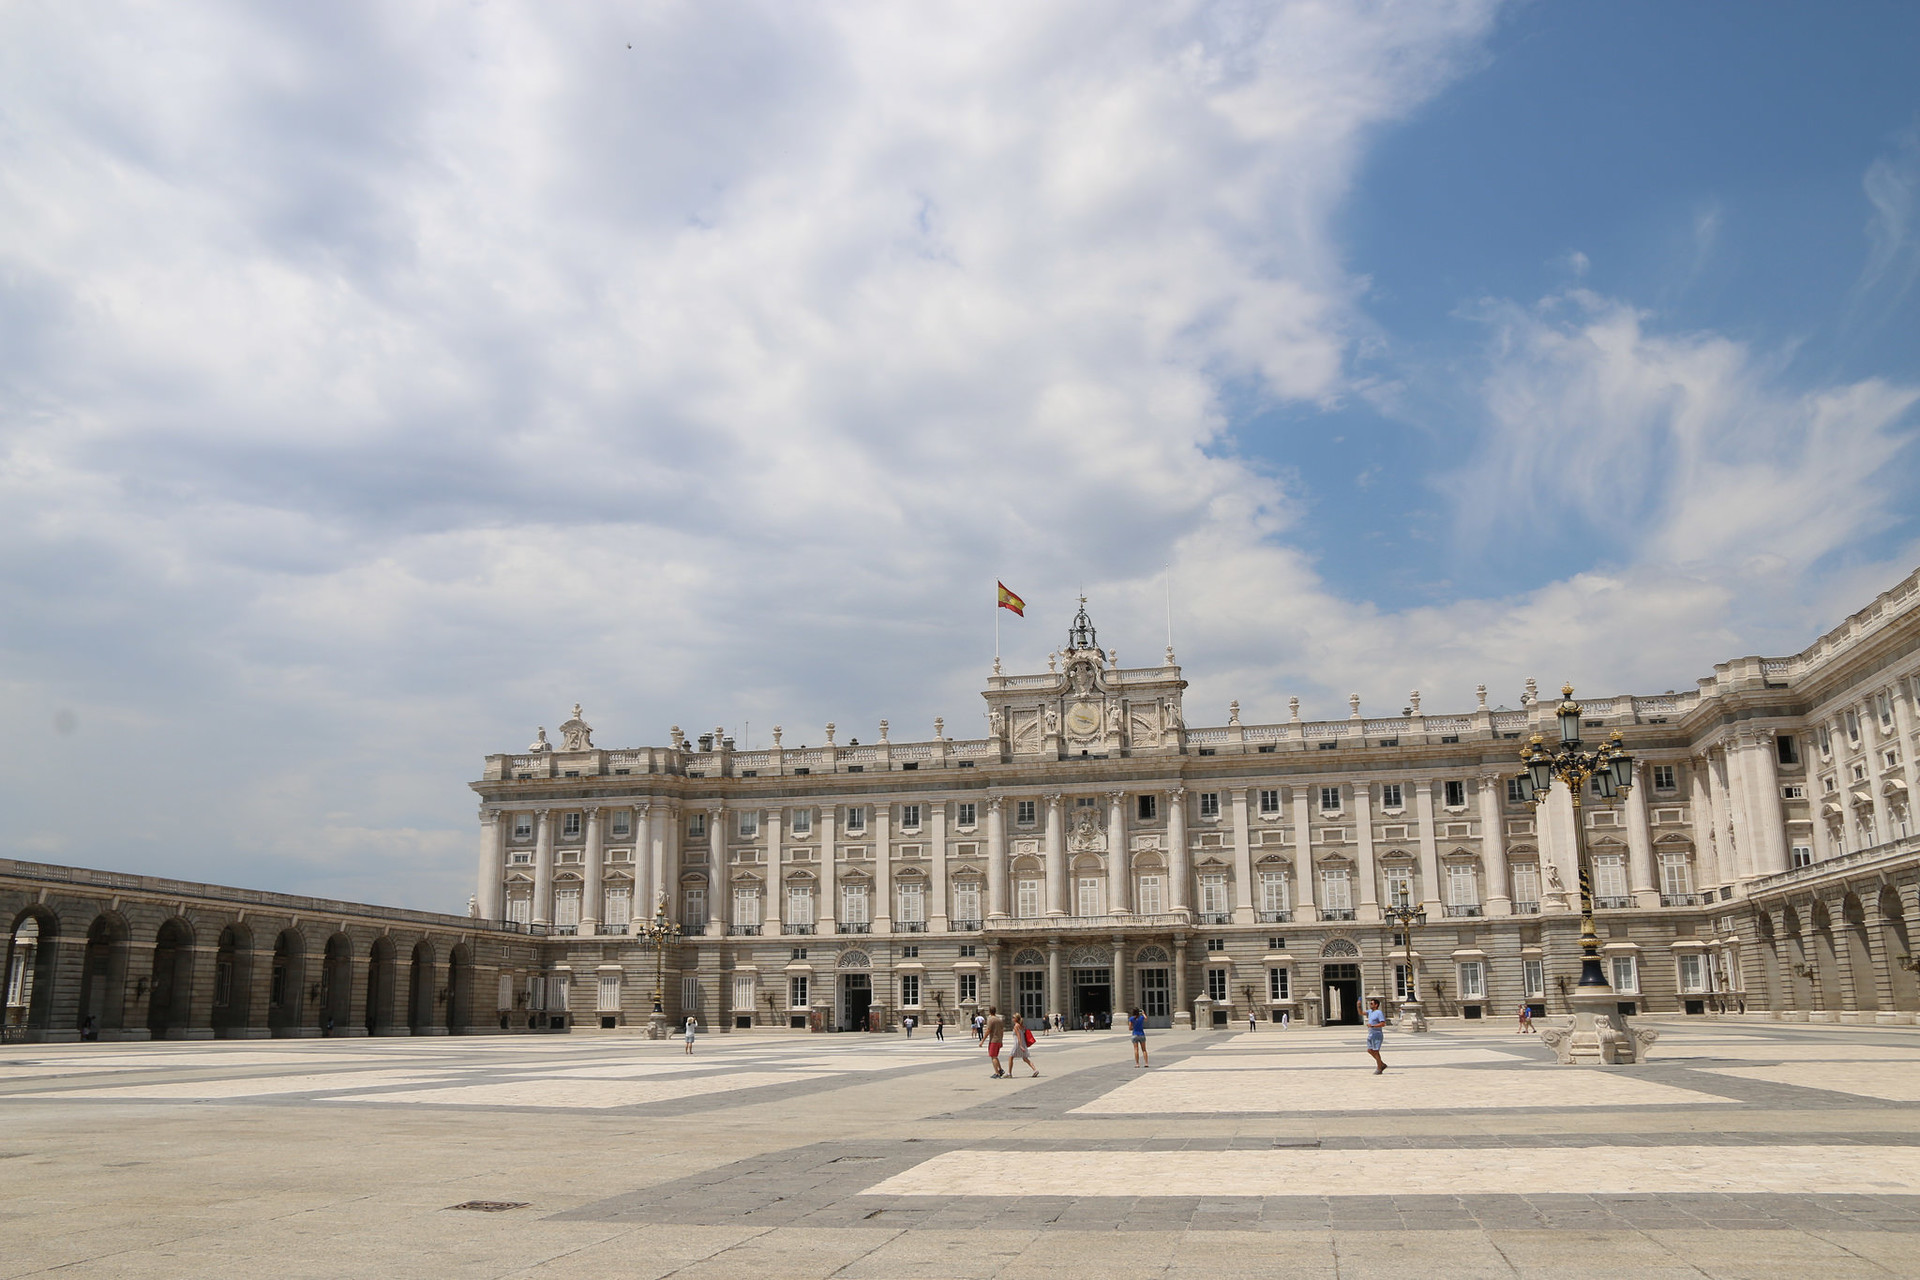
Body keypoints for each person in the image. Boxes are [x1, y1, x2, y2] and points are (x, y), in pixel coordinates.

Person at [1364, 997, 1387, 1074]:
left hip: (1377, 1034)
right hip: (1371, 1034)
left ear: (1376, 1005)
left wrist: (1373, 1026)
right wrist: (1358, 1006)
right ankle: (1382, 1064)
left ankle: (1379, 1068)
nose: (1370, 1005)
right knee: (1370, 1050)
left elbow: (1383, 1024)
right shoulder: (1370, 1012)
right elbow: (1361, 1013)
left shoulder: (1379, 1013)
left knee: (1376, 1051)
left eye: (1371, 1003)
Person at [983, 1006, 1006, 1077]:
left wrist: (982, 1041)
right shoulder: (999, 1020)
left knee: (993, 1056)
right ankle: (1000, 1069)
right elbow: (1002, 1031)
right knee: (995, 1056)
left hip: (993, 1040)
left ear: (989, 1012)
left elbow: (988, 1031)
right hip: (998, 1040)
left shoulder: (991, 1020)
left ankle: (997, 1073)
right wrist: (1001, 1040)